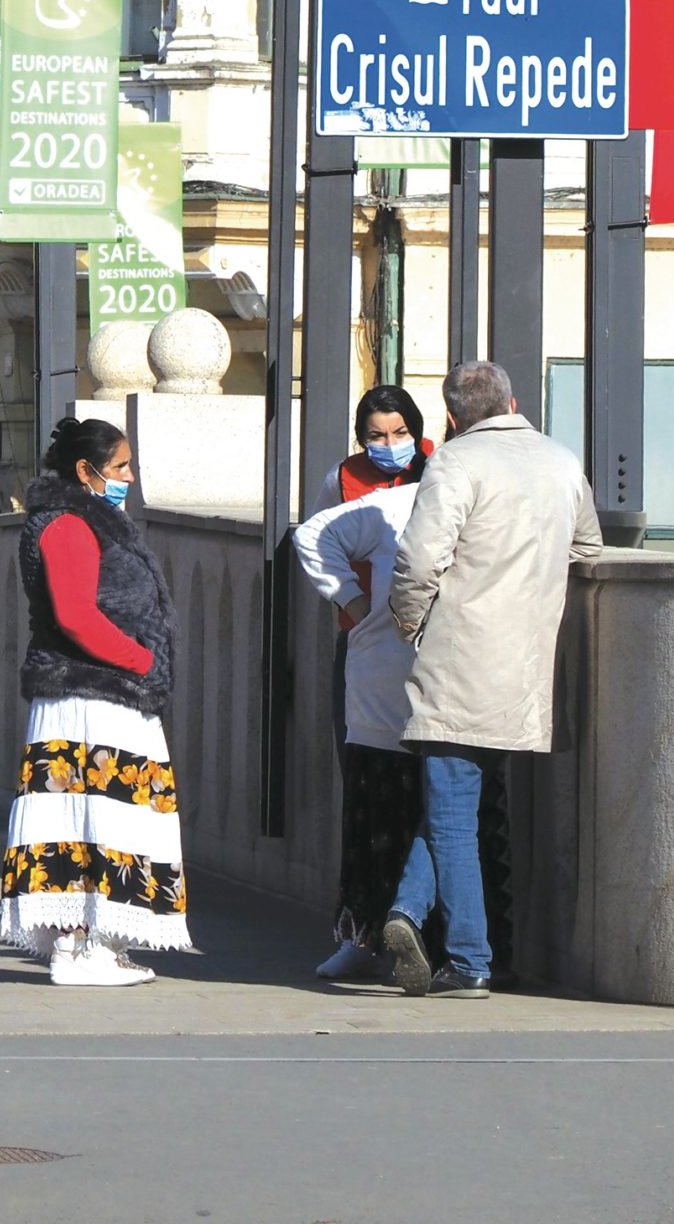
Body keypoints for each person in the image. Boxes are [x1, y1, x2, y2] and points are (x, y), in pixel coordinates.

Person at [379, 361, 604, 1001]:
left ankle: (469, 959)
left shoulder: (455, 462)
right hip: (527, 666)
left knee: (452, 813)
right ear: (512, 402)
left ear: (452, 417)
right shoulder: (562, 461)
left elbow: (419, 559)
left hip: (459, 658)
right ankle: (405, 911)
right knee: (455, 801)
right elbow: (587, 548)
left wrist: (408, 622)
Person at [0, 416, 187, 986]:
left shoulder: (89, 521)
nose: (129, 477)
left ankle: (98, 942)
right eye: (120, 467)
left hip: (105, 695)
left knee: (108, 819)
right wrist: (141, 660)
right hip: (90, 696)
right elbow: (76, 616)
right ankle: (76, 948)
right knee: (87, 820)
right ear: (86, 471)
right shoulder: (69, 524)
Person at [296, 386, 431, 982]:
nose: (390, 445)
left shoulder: (442, 470)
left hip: (432, 655)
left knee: (433, 797)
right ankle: (361, 935)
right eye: (376, 435)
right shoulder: (343, 480)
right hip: (367, 651)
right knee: (367, 788)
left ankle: (424, 929)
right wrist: (352, 605)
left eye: (400, 433)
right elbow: (315, 537)